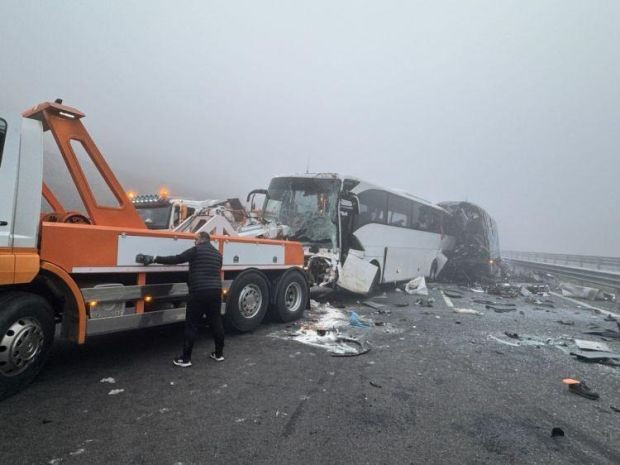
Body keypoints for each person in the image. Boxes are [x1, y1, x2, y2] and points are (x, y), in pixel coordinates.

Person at [136, 231, 224, 367]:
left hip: (199, 292)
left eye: (195, 239)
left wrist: (154, 258)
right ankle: (219, 354)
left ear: (201, 239)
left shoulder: (196, 250)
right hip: (215, 291)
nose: (194, 242)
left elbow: (176, 259)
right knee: (216, 321)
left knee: (192, 325)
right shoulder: (218, 255)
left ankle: (186, 359)